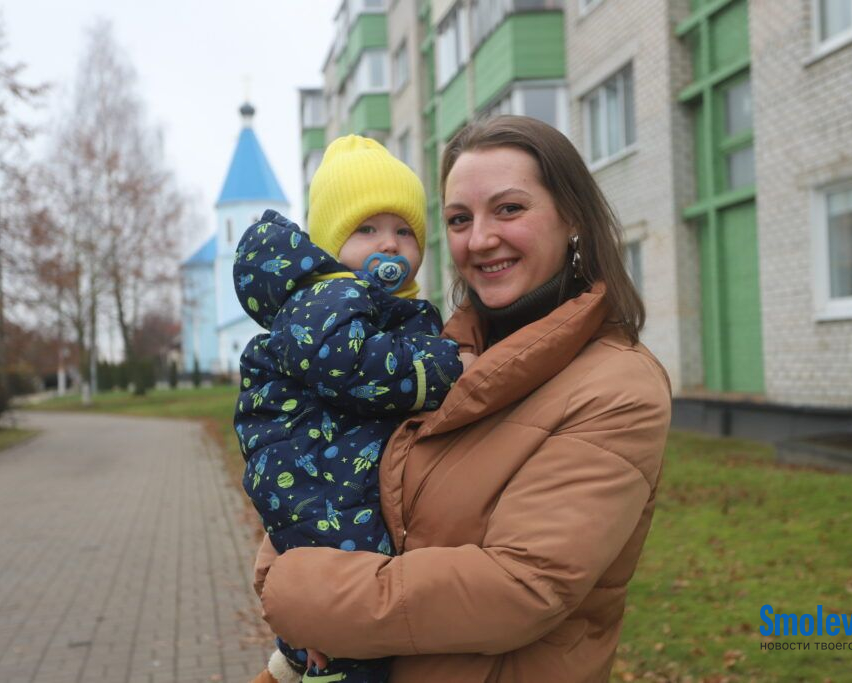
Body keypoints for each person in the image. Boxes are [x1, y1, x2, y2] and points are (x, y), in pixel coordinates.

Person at [251, 115, 671, 683]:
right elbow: (332, 477)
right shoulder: (432, 357)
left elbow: (520, 588)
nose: (479, 239)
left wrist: (301, 592)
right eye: (458, 219)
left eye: (509, 209)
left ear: (572, 216)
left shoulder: (617, 387)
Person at [233, 135, 465, 683]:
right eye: (367, 229)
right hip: (310, 470)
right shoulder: (326, 297)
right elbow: (355, 367)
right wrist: (443, 368)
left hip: (336, 469)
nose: (390, 244)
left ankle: (308, 652)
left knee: (350, 580)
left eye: (404, 230)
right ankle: (325, 653)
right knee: (348, 596)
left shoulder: (386, 306)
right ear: (332, 244)